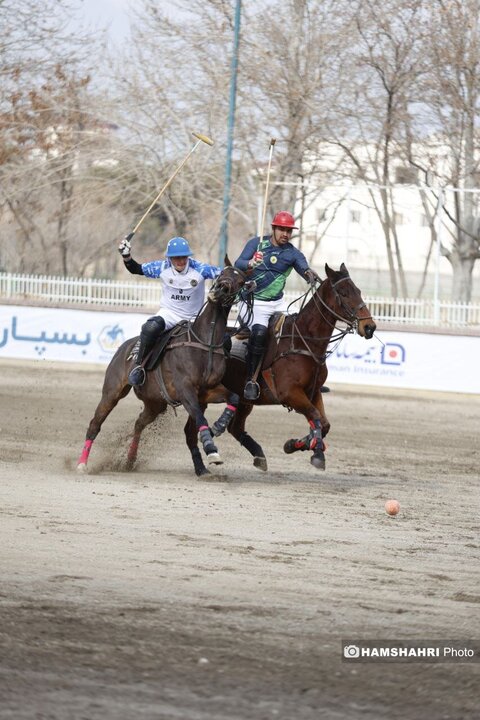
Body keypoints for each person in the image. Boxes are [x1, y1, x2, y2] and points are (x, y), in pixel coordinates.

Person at [234, 211, 320, 400]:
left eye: (289, 231)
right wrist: (250, 262)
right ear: (273, 228)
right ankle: (251, 380)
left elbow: (303, 268)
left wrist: (309, 275)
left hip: (278, 303)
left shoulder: (292, 253)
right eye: (282, 229)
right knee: (259, 332)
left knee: (304, 328)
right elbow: (237, 264)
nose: (285, 234)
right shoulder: (256, 244)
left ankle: (312, 377)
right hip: (253, 301)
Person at [118, 235, 222, 386]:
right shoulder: (162, 267)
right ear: (169, 258)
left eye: (184, 257)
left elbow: (225, 274)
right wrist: (126, 256)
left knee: (222, 337)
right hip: (170, 314)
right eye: (176, 258)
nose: (180, 261)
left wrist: (250, 267)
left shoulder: (200, 269)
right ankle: (138, 366)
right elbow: (136, 269)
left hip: (195, 318)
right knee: (150, 327)